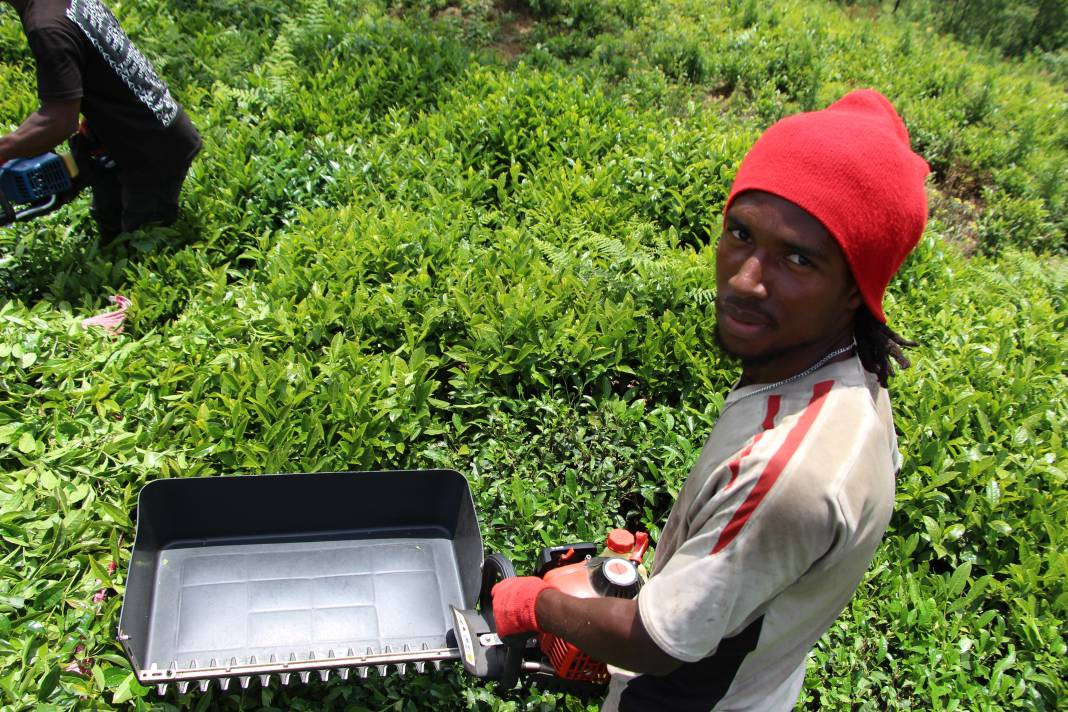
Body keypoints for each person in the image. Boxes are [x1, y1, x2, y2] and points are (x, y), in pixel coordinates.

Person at [491, 89, 930, 711]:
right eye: (740, 233)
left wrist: (536, 604)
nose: (745, 279)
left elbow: (655, 644)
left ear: (856, 287)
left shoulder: (790, 473)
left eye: (799, 258)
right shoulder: (846, 379)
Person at [0, 0, 201, 241]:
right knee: (110, 233)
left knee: (139, 253)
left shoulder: (46, 27)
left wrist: (4, 149)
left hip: (151, 151)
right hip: (146, 129)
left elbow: (59, 122)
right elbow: (106, 62)